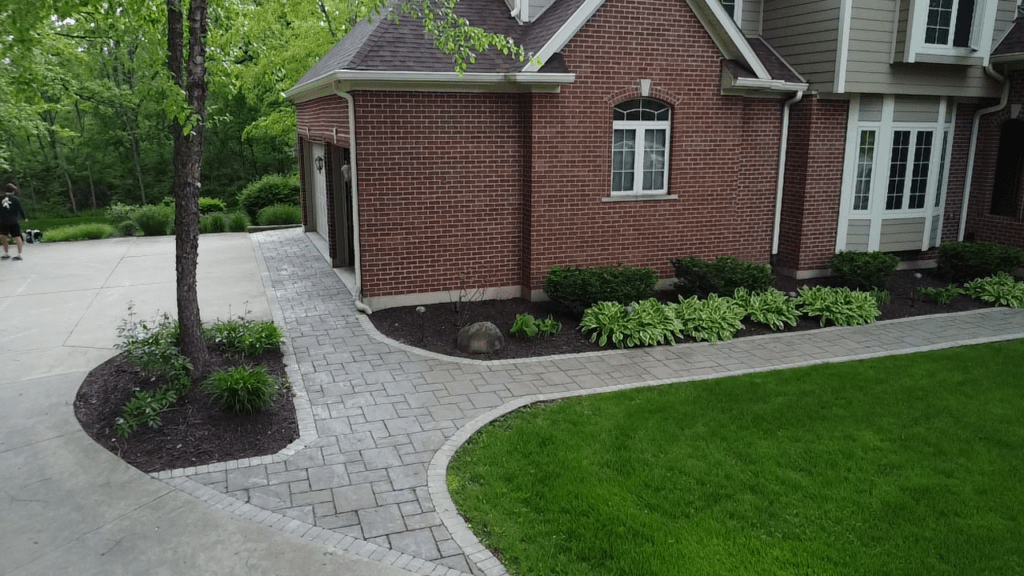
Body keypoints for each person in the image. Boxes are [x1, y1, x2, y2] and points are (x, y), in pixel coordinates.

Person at [1, 183, 28, 260]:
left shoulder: (1, 198)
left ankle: (6, 253)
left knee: (4, 236)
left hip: (3, 221)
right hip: (14, 221)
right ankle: (19, 254)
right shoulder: (16, 199)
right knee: (17, 236)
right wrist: (24, 217)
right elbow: (20, 209)